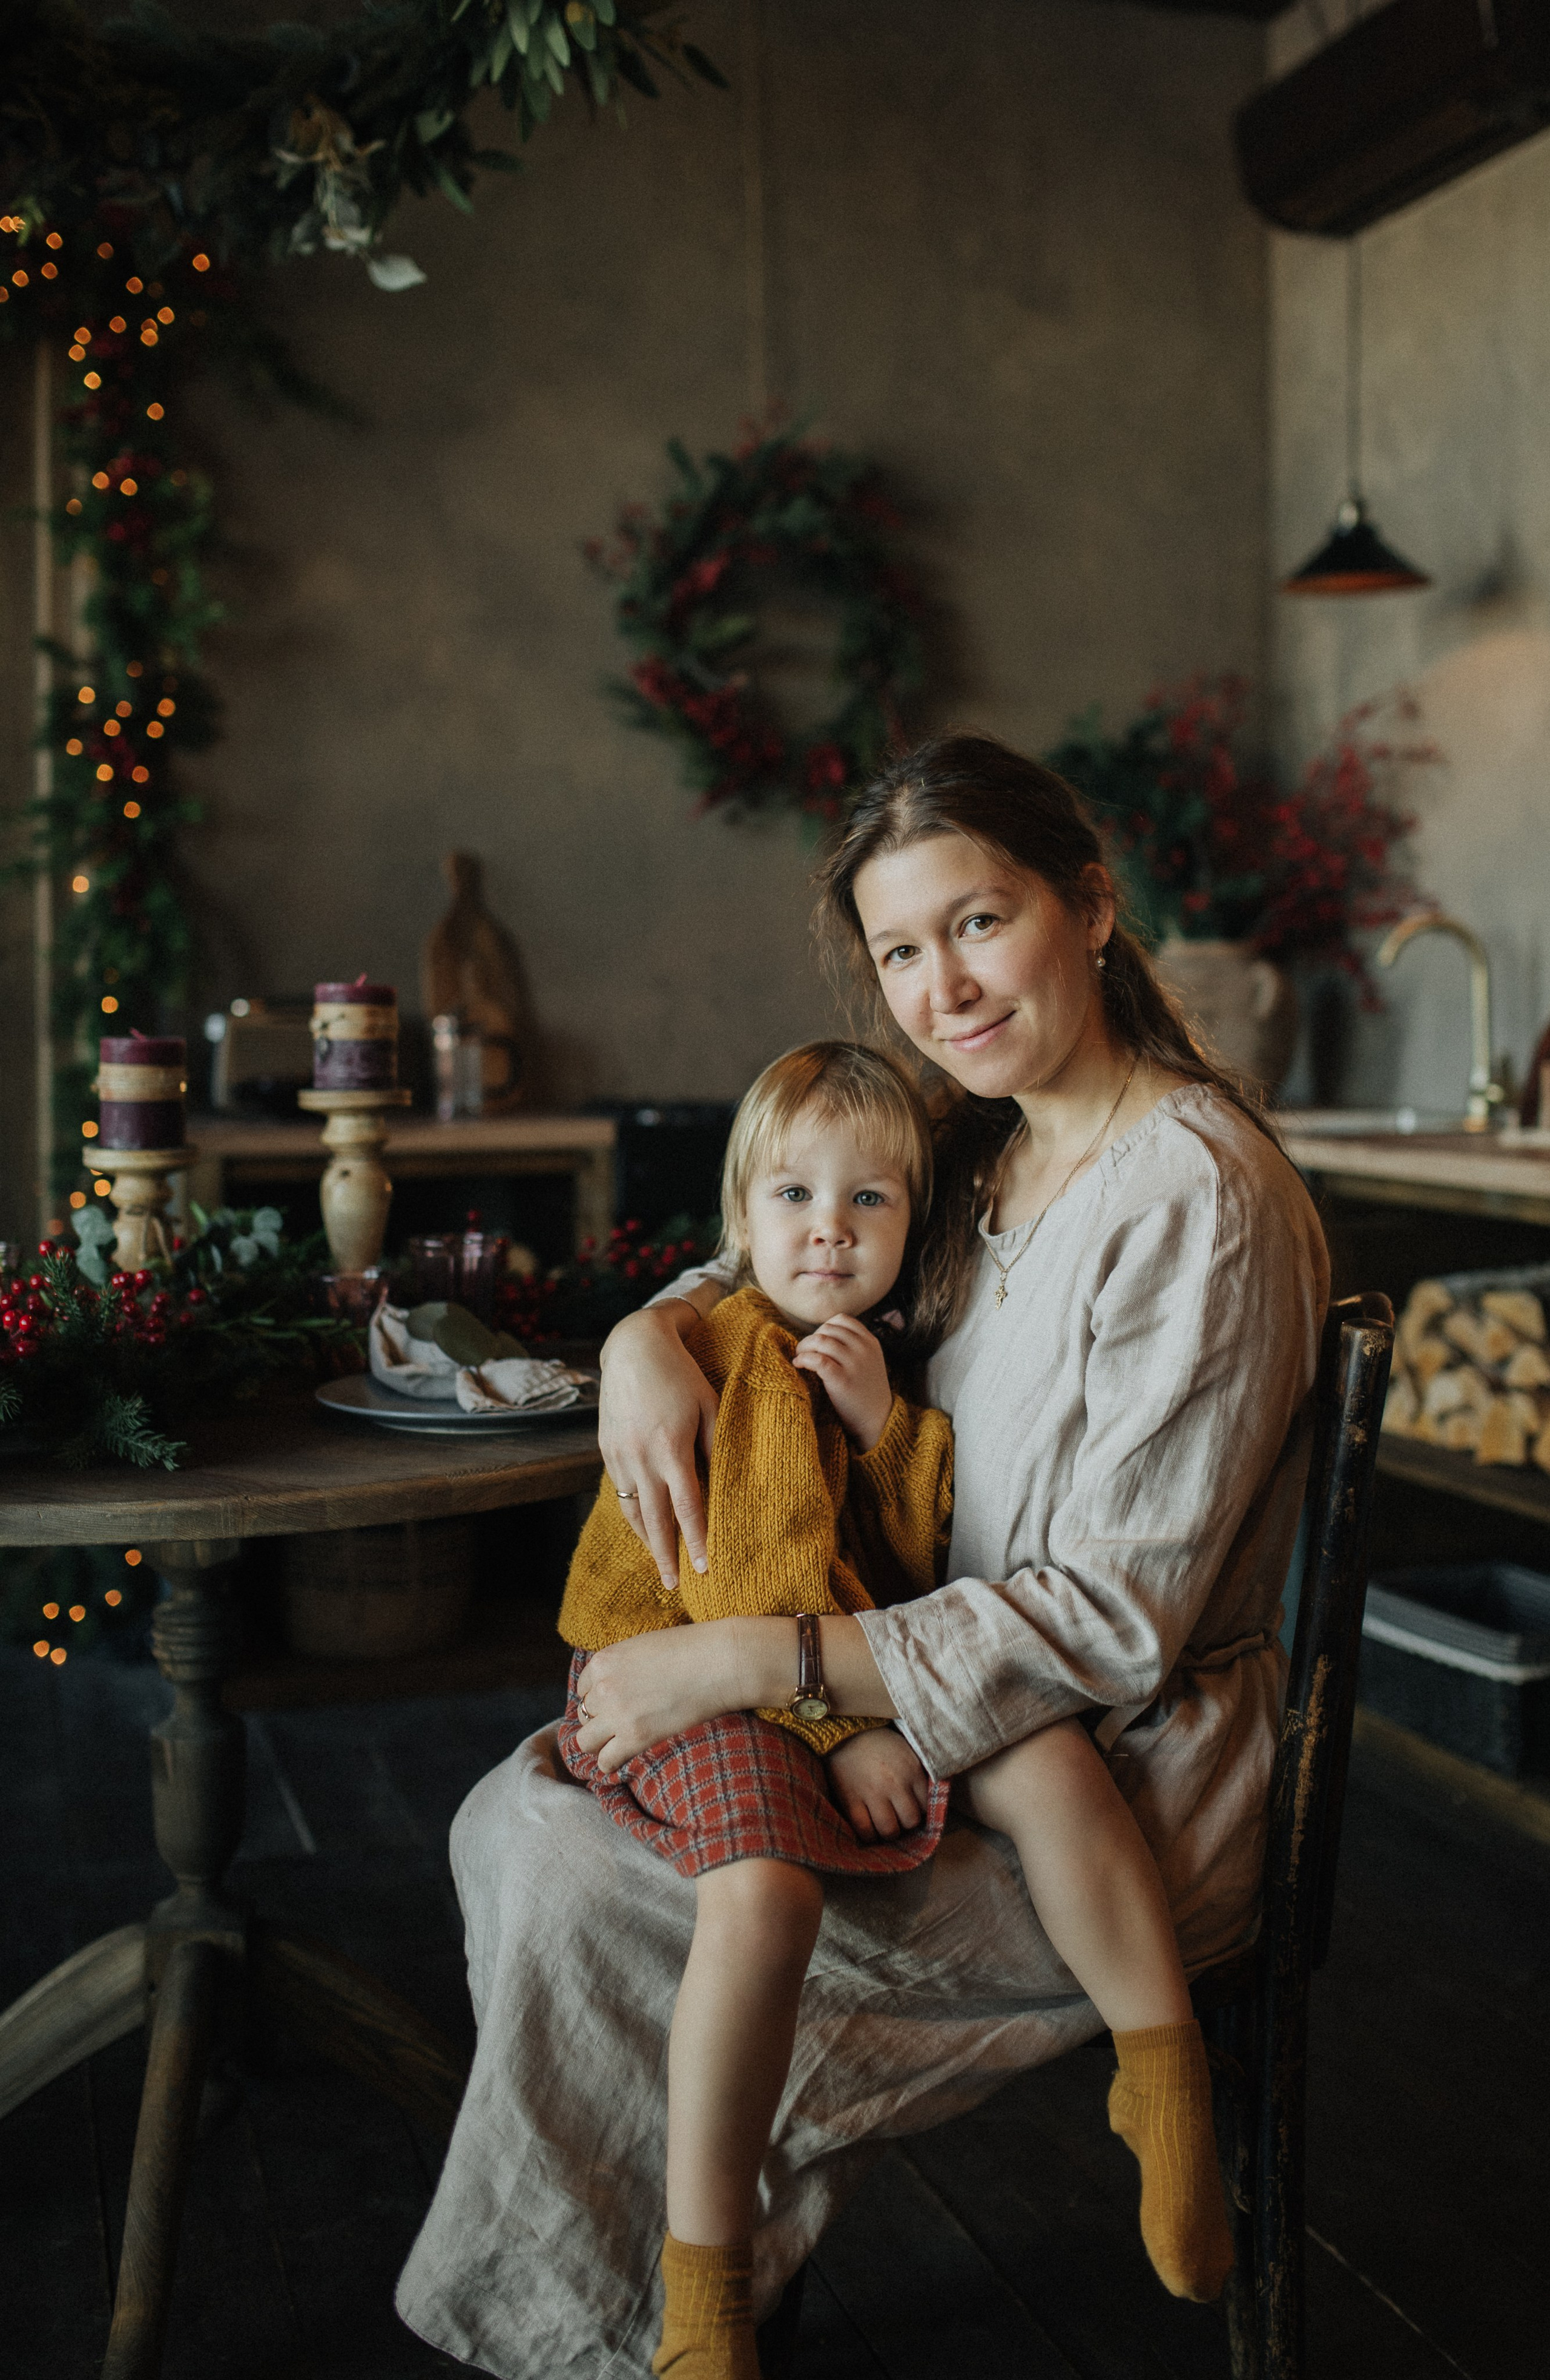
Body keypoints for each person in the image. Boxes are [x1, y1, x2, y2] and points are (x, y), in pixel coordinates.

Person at [396, 733, 1328, 2380]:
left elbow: (1116, 1618)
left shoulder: (1198, 1195)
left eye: (978, 923)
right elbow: (772, 1245)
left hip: (1111, 1771)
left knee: (581, 1875)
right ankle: (673, 2302)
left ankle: (643, 2318)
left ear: (1092, 906)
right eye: (902, 949)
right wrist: (648, 1333)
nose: (942, 988)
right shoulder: (967, 1144)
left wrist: (755, 1659)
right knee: (532, 1815)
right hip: (903, 1693)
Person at [556, 1037, 1233, 2379]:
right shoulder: (737, 1349)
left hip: (819, 1648)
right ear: (740, 1217)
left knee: (1040, 1753)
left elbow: (915, 1552)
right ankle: (703, 2298)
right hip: (683, 1664)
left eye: (867, 1200)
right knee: (765, 1895)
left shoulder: (862, 1350)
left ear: (912, 1221)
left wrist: (884, 1434)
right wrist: (852, 1731)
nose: (828, 1229)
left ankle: (1162, 2077)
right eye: (794, 1199)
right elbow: (748, 1575)